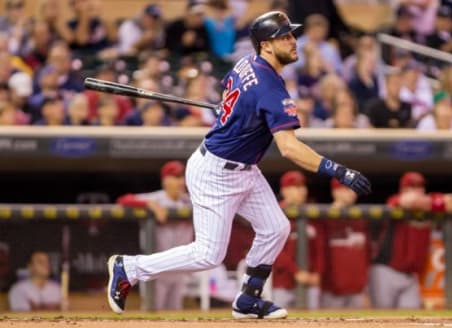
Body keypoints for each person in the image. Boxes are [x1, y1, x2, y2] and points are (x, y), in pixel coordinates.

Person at [107, 11, 371, 320]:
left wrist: (238, 113)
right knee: (208, 254)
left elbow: (229, 91)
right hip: (216, 172)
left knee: (276, 228)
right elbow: (288, 148)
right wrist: (339, 171)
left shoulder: (247, 64)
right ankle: (130, 267)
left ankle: (248, 299)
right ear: (266, 46)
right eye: (284, 36)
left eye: (291, 34)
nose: (292, 40)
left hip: (244, 168)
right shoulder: (269, 87)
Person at [369, 171, 452, 309]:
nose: (417, 190)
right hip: (386, 271)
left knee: (412, 316)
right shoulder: (395, 200)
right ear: (403, 189)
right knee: (381, 317)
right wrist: (439, 204)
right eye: (412, 186)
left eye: (420, 186)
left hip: (411, 275)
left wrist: (435, 203)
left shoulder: (430, 204)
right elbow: (409, 202)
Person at [116, 161, 193, 310]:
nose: (181, 181)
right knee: (152, 311)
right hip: (157, 270)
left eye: (181, 177)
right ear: (165, 180)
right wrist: (149, 205)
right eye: (175, 177)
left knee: (175, 313)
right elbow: (123, 200)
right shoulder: (156, 198)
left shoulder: (190, 200)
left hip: (180, 268)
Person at [272, 170, 323, 309]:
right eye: (296, 187)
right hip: (282, 282)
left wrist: (317, 273)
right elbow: (273, 250)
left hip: (309, 281)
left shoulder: (311, 213)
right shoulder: (275, 212)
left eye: (302, 186)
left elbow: (319, 248)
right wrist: (296, 271)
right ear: (284, 190)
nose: (301, 191)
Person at [316, 178, 369, 308]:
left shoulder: (362, 218)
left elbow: (367, 256)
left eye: (353, 189)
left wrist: (366, 290)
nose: (351, 193)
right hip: (331, 290)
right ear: (335, 192)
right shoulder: (323, 218)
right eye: (346, 189)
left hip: (357, 290)